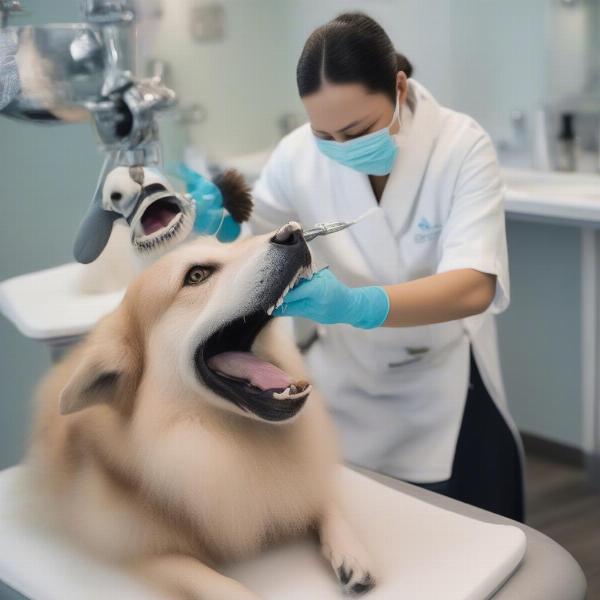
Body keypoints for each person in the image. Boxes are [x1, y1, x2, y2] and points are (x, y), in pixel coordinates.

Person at [248, 12, 524, 522]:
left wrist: (360, 304)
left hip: (442, 386)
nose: (342, 148)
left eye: (357, 130)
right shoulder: (296, 155)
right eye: (325, 134)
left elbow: (473, 286)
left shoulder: (461, 147)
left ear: (398, 86)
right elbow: (253, 238)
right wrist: (213, 220)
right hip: (348, 382)